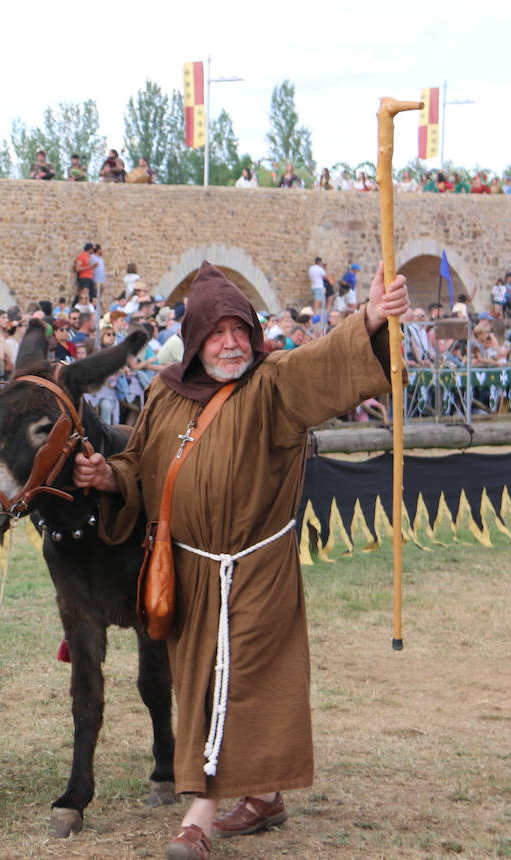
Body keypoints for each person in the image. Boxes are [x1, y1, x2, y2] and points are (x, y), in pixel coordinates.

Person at [72, 261, 409, 860]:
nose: (230, 343)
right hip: (190, 569)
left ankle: (198, 817)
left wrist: (372, 319)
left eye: (240, 330)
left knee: (241, 681)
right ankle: (267, 796)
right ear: (195, 340)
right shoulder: (165, 394)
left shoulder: (271, 384)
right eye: (216, 332)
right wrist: (109, 475)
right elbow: (142, 466)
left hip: (255, 568)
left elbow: (323, 361)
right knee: (207, 682)